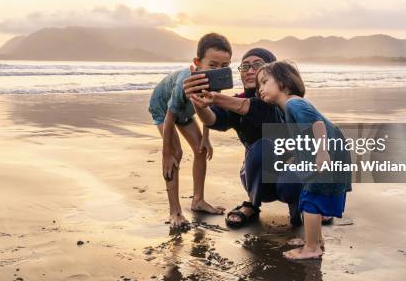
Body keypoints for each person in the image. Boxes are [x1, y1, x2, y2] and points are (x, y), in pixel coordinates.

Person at [184, 48, 304, 228]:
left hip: (291, 178)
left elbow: (252, 107)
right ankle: (252, 204)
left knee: (292, 168)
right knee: (261, 148)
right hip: (256, 178)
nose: (249, 71)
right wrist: (198, 102)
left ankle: (300, 209)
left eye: (257, 65)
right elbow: (213, 118)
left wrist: (215, 97)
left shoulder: (285, 101)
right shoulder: (234, 102)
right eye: (245, 66)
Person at [255, 61, 352, 260]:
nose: (260, 89)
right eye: (259, 85)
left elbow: (317, 125)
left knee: (311, 201)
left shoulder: (294, 103)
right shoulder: (291, 106)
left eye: (264, 82)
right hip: (330, 151)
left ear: (283, 82)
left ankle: (311, 248)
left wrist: (322, 153)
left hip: (327, 153)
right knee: (312, 196)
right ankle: (315, 240)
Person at [148, 33, 232, 228]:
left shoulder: (214, 81)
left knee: (201, 149)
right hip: (163, 109)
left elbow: (206, 109)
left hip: (186, 113)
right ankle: (175, 211)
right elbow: (170, 115)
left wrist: (206, 138)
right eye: (212, 65)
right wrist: (166, 152)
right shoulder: (185, 82)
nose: (218, 71)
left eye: (224, 66)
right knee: (175, 153)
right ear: (198, 62)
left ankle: (198, 200)